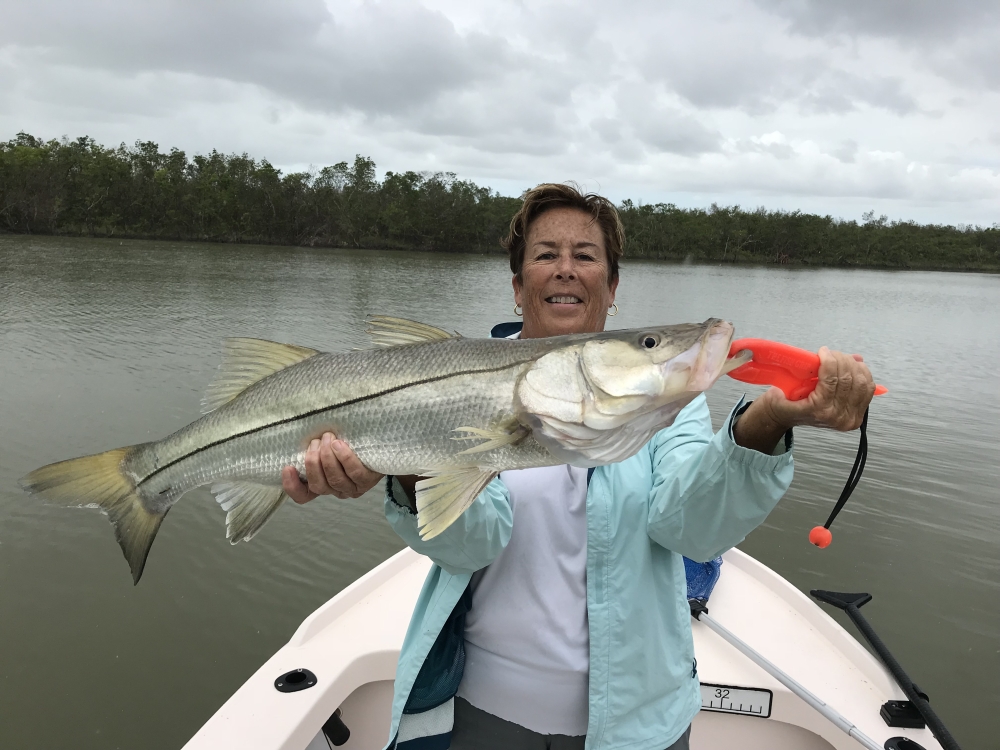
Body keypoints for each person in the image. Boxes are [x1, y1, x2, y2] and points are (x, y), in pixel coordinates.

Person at [282, 184, 876, 750]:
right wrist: (407, 471)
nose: (565, 267)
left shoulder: (674, 406)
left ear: (612, 287)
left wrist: (766, 422)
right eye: (546, 254)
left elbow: (688, 530)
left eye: (585, 255)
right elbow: (470, 546)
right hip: (481, 713)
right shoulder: (456, 394)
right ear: (519, 287)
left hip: (640, 726)